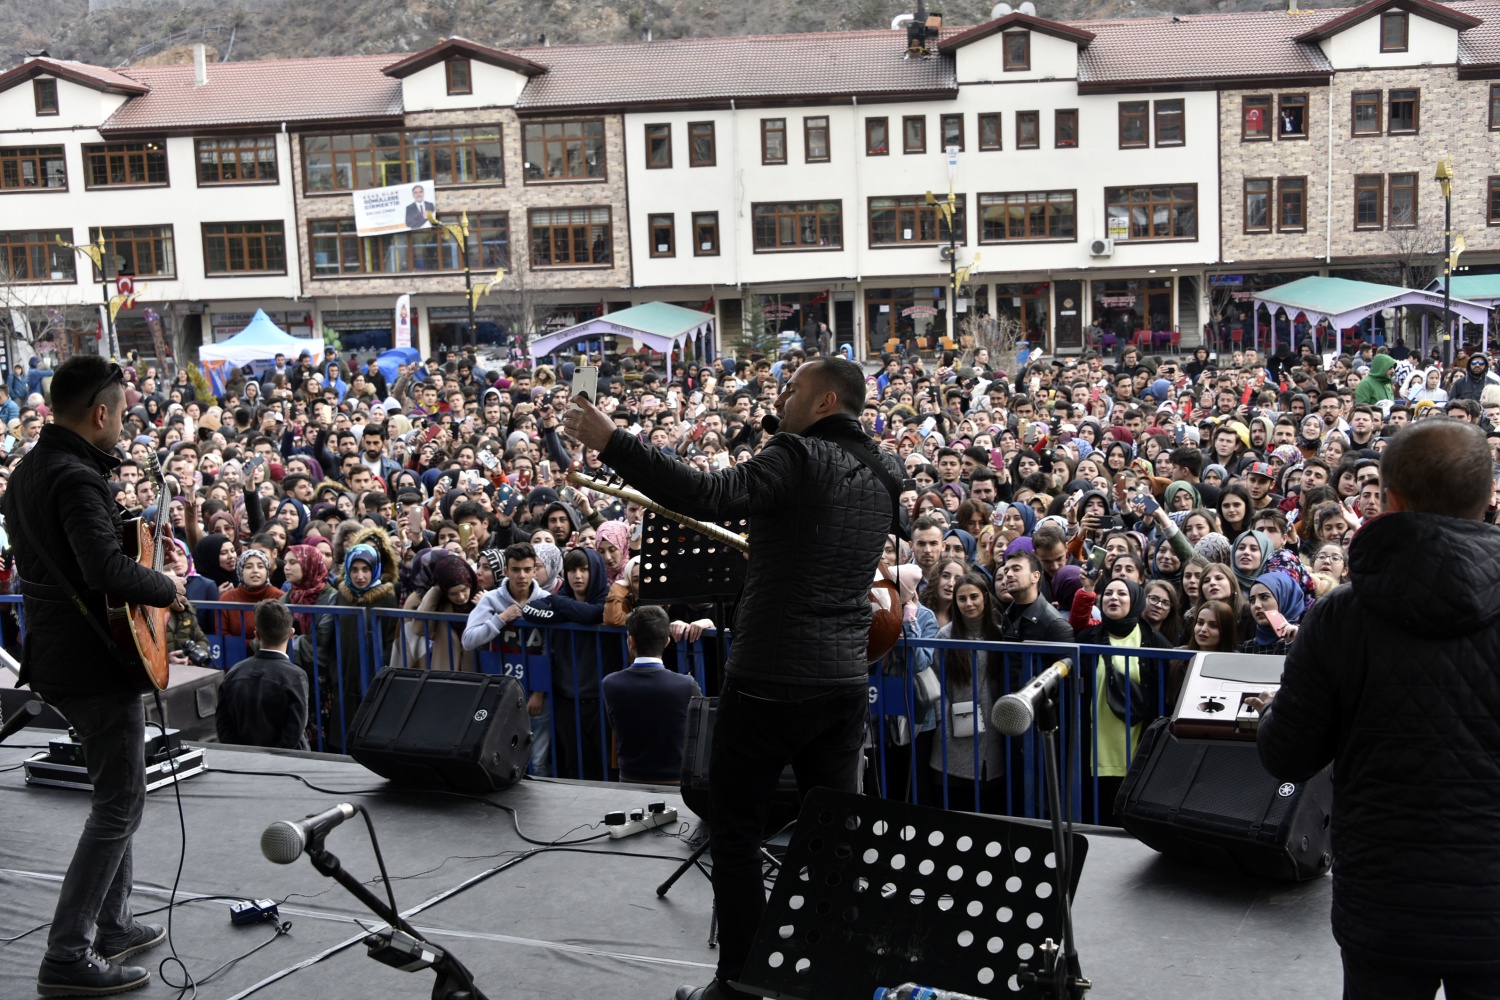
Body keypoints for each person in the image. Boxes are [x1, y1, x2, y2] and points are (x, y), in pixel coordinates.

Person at [564, 356, 901, 1000]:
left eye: (794, 388)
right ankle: (836, 979)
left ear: (826, 401)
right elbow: (819, 544)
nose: (783, 397)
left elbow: (705, 494)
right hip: (844, 683)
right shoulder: (885, 471)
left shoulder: (797, 455)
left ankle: (741, 984)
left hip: (772, 675)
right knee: (833, 840)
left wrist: (613, 440)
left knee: (736, 831)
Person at [1256, 420, 1500, 998]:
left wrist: (1276, 713)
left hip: (1385, 897)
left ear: (1389, 499)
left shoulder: (1342, 616)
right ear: (1489, 495)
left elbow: (1287, 753)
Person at [1, 355, 185, 997]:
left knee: (115, 792)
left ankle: (112, 923)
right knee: (119, 803)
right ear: (99, 413)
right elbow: (104, 570)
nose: (125, 421)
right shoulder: (78, 479)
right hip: (92, 662)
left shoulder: (29, 470)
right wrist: (167, 586)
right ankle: (68, 953)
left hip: (58, 653)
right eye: (122, 411)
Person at [601, 604, 703, 784]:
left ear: (631, 641)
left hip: (630, 777)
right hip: (675, 781)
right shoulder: (686, 685)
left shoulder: (611, 684)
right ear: (667, 642)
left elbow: (615, 725)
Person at [217, 600, 309, 750]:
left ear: (256, 635)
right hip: (287, 764)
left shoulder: (234, 672)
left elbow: (223, 725)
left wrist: (243, 754)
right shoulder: (295, 676)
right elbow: (295, 729)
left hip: (244, 761)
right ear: (291, 634)